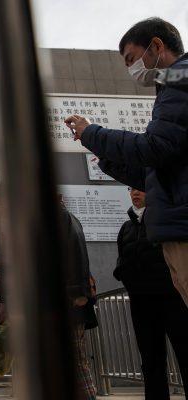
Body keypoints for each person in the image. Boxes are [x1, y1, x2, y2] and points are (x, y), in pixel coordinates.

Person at [64, 17, 188, 306]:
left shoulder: (180, 81)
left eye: (132, 59)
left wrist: (92, 132)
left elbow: (154, 147)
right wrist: (103, 151)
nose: (132, 70)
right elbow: (154, 173)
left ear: (156, 45)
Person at [0, 197, 98, 400]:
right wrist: (3, 298)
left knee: (74, 360)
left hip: (65, 301)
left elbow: (76, 250)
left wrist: (78, 292)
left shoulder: (62, 218)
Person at [114, 187, 188, 399]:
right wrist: (123, 274)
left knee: (184, 352)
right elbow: (122, 256)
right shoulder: (126, 228)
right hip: (141, 301)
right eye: (131, 189)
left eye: (139, 189)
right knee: (150, 359)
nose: (135, 193)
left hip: (171, 297)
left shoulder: (162, 221)